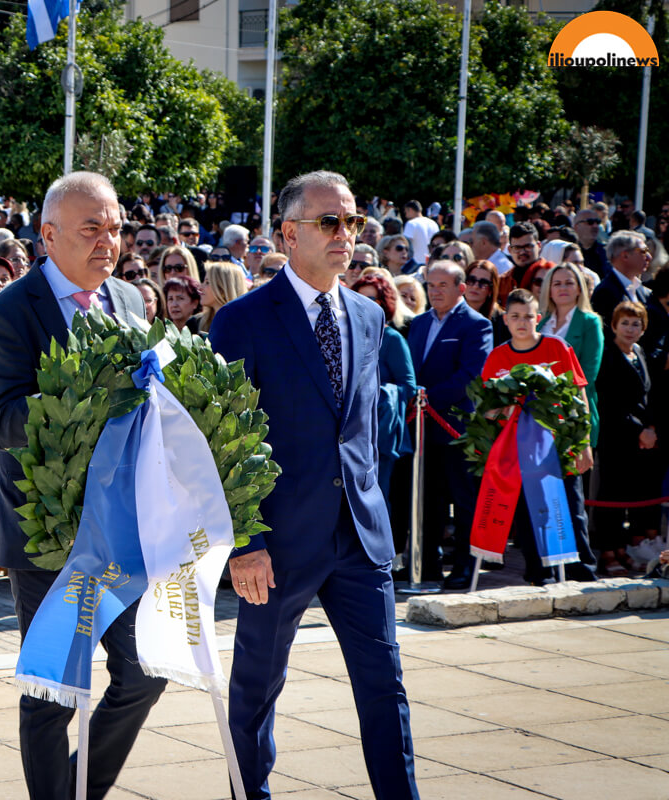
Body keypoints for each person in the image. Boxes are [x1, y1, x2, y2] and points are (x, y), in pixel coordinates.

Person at [208, 170, 420, 800]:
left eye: (352, 222)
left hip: (359, 537)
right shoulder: (242, 321)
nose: (345, 235)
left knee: (385, 687)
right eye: (330, 222)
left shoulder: (366, 313)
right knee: (255, 690)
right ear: (289, 232)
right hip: (277, 543)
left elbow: (360, 429)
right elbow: (223, 441)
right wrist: (244, 540)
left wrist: (374, 508)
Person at [0, 172, 162, 800]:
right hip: (48, 534)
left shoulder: (131, 302)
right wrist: (92, 394)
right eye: (93, 228)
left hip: (123, 532)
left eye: (115, 227)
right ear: (49, 235)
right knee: (54, 690)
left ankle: (85, 789)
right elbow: (6, 423)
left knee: (143, 673)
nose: (109, 241)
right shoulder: (6, 314)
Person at [480, 289, 597, 584]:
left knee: (571, 506)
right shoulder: (497, 357)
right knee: (527, 511)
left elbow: (579, 396)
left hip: (560, 443)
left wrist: (584, 442)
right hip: (519, 448)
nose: (522, 323)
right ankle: (538, 571)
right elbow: (488, 411)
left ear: (538, 318)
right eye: (515, 317)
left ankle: (581, 569)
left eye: (528, 317)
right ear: (505, 320)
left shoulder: (557, 348)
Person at [407, 260, 493, 590]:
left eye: (443, 285)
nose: (435, 291)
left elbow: (471, 376)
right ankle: (426, 565)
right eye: (430, 285)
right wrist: (413, 394)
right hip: (423, 429)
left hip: (457, 429)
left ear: (460, 288)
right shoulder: (418, 323)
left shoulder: (476, 325)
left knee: (464, 502)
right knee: (427, 501)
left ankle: (464, 569)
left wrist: (428, 397)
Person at [594, 301, 661, 576]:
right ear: (614, 326)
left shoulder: (640, 352)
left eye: (636, 324)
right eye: (625, 323)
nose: (630, 329)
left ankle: (624, 551)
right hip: (616, 437)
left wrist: (652, 429)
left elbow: (647, 396)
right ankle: (608, 552)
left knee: (630, 496)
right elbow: (609, 403)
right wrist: (639, 430)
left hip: (642, 439)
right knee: (610, 497)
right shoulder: (607, 355)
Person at [352, 273, 416, 528]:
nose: (365, 303)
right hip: (348, 432)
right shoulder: (345, 335)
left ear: (384, 303)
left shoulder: (391, 338)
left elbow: (408, 386)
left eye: (372, 298)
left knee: (377, 496)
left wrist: (373, 393)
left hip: (380, 433)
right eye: (360, 298)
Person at [538, 263, 604, 452]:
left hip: (573, 412)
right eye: (557, 284)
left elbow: (589, 374)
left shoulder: (590, 322)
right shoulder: (540, 322)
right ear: (549, 290)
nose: (563, 288)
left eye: (569, 283)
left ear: (579, 289)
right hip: (538, 413)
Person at [592, 231, 653, 340]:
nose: (649, 257)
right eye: (643, 251)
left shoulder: (643, 291)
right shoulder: (605, 293)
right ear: (625, 255)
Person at [464, 259, 508, 345]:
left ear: (491, 290)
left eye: (483, 283)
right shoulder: (451, 314)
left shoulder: (502, 322)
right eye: (471, 280)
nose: (476, 286)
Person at [196, 261, 246, 333]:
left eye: (207, 282)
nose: (200, 287)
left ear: (223, 288)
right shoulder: (196, 322)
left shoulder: (245, 326)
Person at [402, 200, 438, 265]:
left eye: (405, 212)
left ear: (410, 210)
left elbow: (406, 243)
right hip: (432, 263)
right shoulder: (433, 223)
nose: (406, 215)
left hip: (415, 263)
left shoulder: (411, 224)